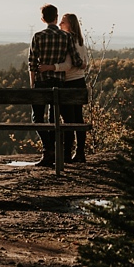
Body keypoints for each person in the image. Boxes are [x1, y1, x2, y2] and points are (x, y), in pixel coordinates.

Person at [27, 2, 69, 166]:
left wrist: (33, 83)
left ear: (43, 18)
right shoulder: (66, 37)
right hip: (59, 84)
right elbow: (74, 60)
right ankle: (53, 150)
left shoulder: (38, 36)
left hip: (41, 83)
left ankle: (48, 149)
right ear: (56, 17)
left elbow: (31, 62)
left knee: (37, 117)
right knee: (54, 118)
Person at [54, 12, 89, 163]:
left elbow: (67, 66)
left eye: (63, 22)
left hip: (69, 83)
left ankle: (67, 153)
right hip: (80, 81)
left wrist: (52, 67)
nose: (60, 24)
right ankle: (79, 152)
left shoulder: (68, 41)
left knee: (68, 120)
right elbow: (85, 63)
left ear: (70, 24)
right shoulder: (80, 41)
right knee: (78, 119)